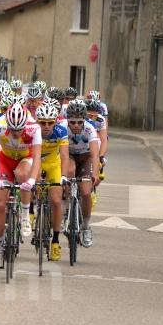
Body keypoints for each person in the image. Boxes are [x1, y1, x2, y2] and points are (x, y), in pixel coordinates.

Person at [0, 102, 42, 268]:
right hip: (5, 160)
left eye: (19, 129)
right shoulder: (0, 127)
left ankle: (25, 214)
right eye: (13, 129)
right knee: (1, 204)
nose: (17, 133)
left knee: (23, 174)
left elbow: (38, 158)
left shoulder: (34, 128)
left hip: (26, 159)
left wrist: (32, 181)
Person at [35, 103, 69, 261]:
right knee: (33, 188)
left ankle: (55, 241)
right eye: (43, 122)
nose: (46, 126)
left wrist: (63, 176)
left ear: (55, 121)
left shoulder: (61, 131)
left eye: (50, 122)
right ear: (37, 121)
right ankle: (30, 213)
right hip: (37, 162)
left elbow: (64, 156)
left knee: (56, 201)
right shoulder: (33, 131)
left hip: (53, 164)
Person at [65, 99, 100, 248]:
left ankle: (86, 227)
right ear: (68, 120)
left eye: (79, 122)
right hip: (70, 157)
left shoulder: (90, 129)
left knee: (86, 192)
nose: (76, 126)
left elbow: (94, 154)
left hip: (85, 158)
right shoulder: (62, 128)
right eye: (72, 122)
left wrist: (96, 174)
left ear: (84, 120)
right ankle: (66, 209)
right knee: (69, 172)